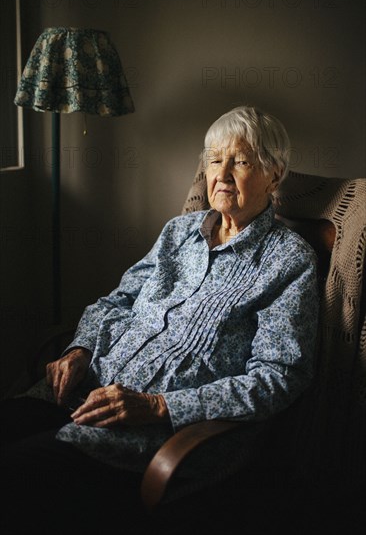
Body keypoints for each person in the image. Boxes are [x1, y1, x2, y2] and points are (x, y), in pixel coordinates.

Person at [0, 105, 319, 534]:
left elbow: (279, 377)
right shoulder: (178, 232)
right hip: (75, 390)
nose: (222, 174)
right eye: (214, 159)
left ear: (274, 175)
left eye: (241, 161)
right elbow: (118, 300)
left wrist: (159, 406)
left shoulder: (288, 260)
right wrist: (81, 347)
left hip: (142, 432)